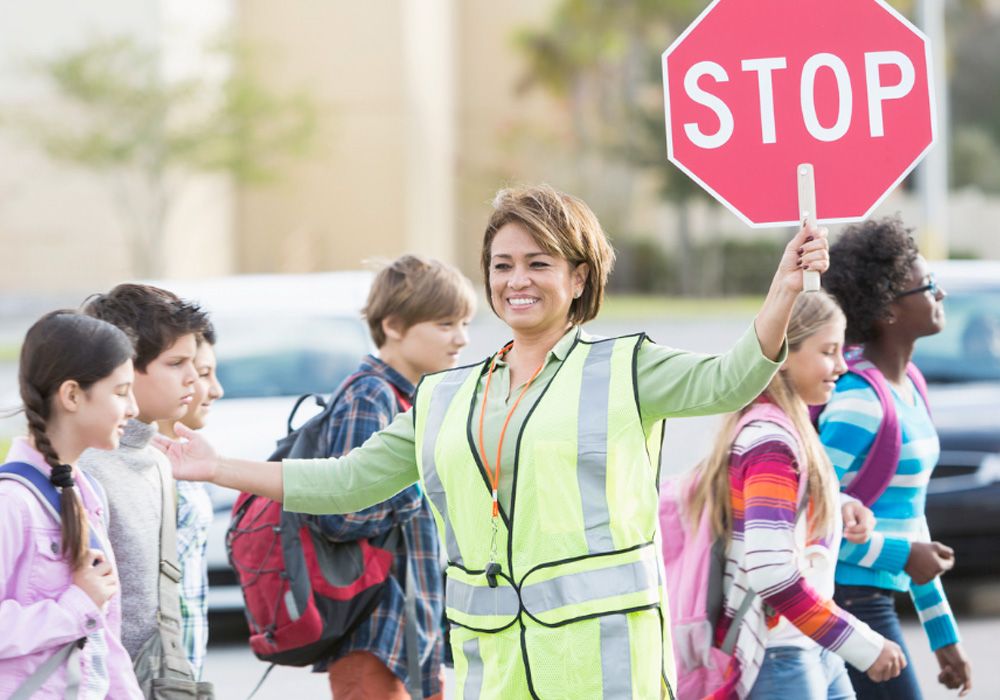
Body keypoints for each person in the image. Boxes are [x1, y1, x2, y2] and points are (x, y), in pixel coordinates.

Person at [155, 184, 830, 699]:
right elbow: (349, 480)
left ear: (579, 277)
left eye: (538, 263)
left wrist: (783, 291)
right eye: (502, 264)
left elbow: (730, 378)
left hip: (606, 670)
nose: (516, 281)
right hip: (495, 667)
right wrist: (217, 467)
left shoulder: (625, 368)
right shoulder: (448, 394)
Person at [688, 291, 906, 699]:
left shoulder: (786, 426)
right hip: (778, 653)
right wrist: (863, 645)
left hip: (808, 645)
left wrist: (837, 507)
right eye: (829, 351)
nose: (842, 366)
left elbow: (779, 510)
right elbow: (771, 573)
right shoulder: (771, 441)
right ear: (784, 353)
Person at [822, 217, 972, 699]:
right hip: (848, 599)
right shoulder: (856, 402)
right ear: (887, 309)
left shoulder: (911, 388)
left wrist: (943, 637)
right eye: (927, 286)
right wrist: (903, 555)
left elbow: (913, 525)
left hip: (876, 596)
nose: (940, 294)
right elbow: (812, 518)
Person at [314, 254, 476, 700]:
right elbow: (340, 511)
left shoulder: (415, 399)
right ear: (393, 326)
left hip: (412, 634)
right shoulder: (370, 396)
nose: (461, 339)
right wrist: (416, 488)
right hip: (373, 638)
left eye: (464, 324)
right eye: (445, 324)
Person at [0, 311, 143, 698]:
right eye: (120, 391)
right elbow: (85, 609)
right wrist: (74, 607)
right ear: (72, 395)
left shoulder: (87, 494)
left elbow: (105, 641)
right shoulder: (11, 503)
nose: (133, 408)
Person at [79, 284, 211, 669]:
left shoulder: (155, 460)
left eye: (194, 363)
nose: (193, 379)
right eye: (175, 364)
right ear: (123, 366)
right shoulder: (89, 469)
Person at [158, 327, 224, 680]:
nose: (215, 389)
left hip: (182, 673)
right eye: (203, 374)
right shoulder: (146, 471)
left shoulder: (190, 460)